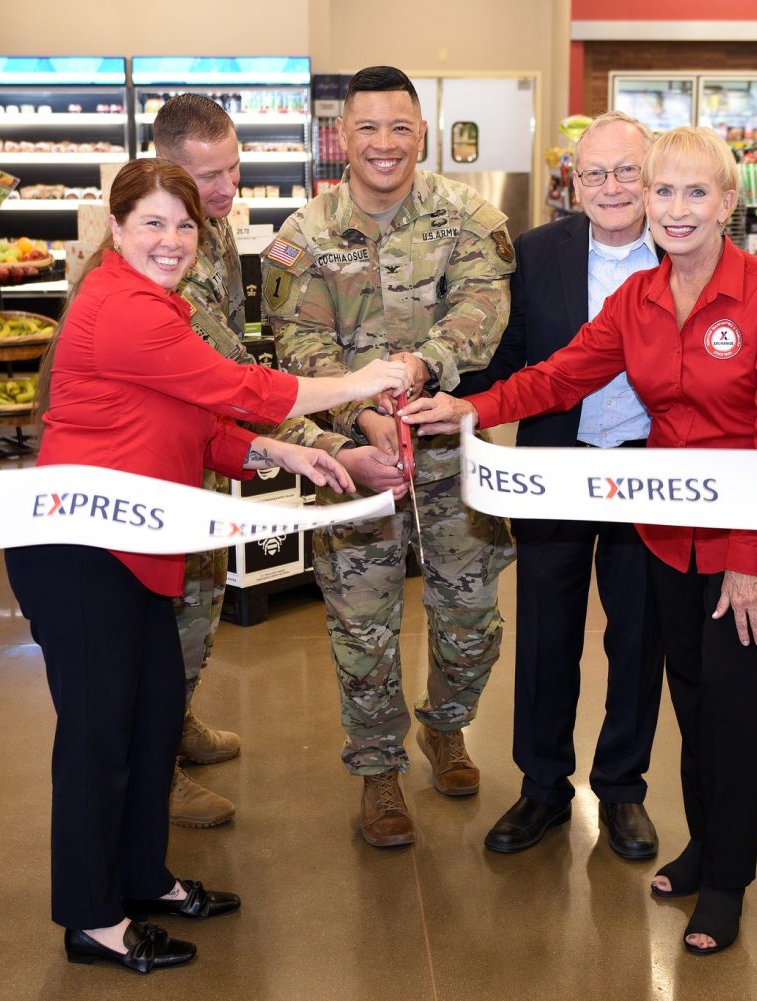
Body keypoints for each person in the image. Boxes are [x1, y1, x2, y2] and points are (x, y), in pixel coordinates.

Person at [402, 126, 757, 956]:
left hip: (744, 544)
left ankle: (728, 880)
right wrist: (475, 408)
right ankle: (702, 846)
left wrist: (746, 560)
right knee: (690, 699)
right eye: (666, 192)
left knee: (730, 705)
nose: (677, 207)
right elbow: (560, 374)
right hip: (664, 534)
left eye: (697, 192)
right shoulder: (640, 299)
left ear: (728, 203)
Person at [5, 157, 408, 974]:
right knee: (98, 740)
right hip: (83, 552)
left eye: (184, 225)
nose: (172, 239)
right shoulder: (121, 307)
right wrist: (360, 381)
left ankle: (143, 880)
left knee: (152, 725)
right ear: (115, 231)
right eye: (152, 222)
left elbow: (203, 421)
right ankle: (92, 917)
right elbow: (239, 384)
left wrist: (285, 458)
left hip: (140, 547)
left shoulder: (160, 306)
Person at [262, 65, 516, 848]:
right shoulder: (305, 235)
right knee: (363, 623)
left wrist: (420, 366)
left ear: (422, 135)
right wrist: (360, 413)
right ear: (342, 135)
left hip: (449, 451)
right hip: (356, 462)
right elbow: (295, 343)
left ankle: (446, 726)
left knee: (470, 616)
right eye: (367, 127)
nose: (383, 143)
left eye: (399, 127)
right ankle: (378, 769)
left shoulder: (468, 216)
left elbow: (484, 309)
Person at [152, 94, 405, 829]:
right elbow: (233, 375)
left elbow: (239, 339)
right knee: (167, 616)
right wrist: (331, 444)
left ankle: (181, 717)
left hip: (208, 444)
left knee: (201, 600)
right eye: (208, 178)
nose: (228, 189)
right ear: (165, 170)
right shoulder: (162, 249)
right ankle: (156, 765)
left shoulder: (218, 229)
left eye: (234, 168)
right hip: (157, 461)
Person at [455, 111, 664, 861]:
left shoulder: (686, 252)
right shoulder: (536, 253)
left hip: (650, 472)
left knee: (640, 636)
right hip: (555, 467)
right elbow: (506, 357)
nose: (610, 188)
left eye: (626, 171)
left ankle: (623, 790)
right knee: (546, 635)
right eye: (594, 173)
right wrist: (442, 387)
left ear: (653, 176)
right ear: (573, 181)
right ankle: (542, 786)